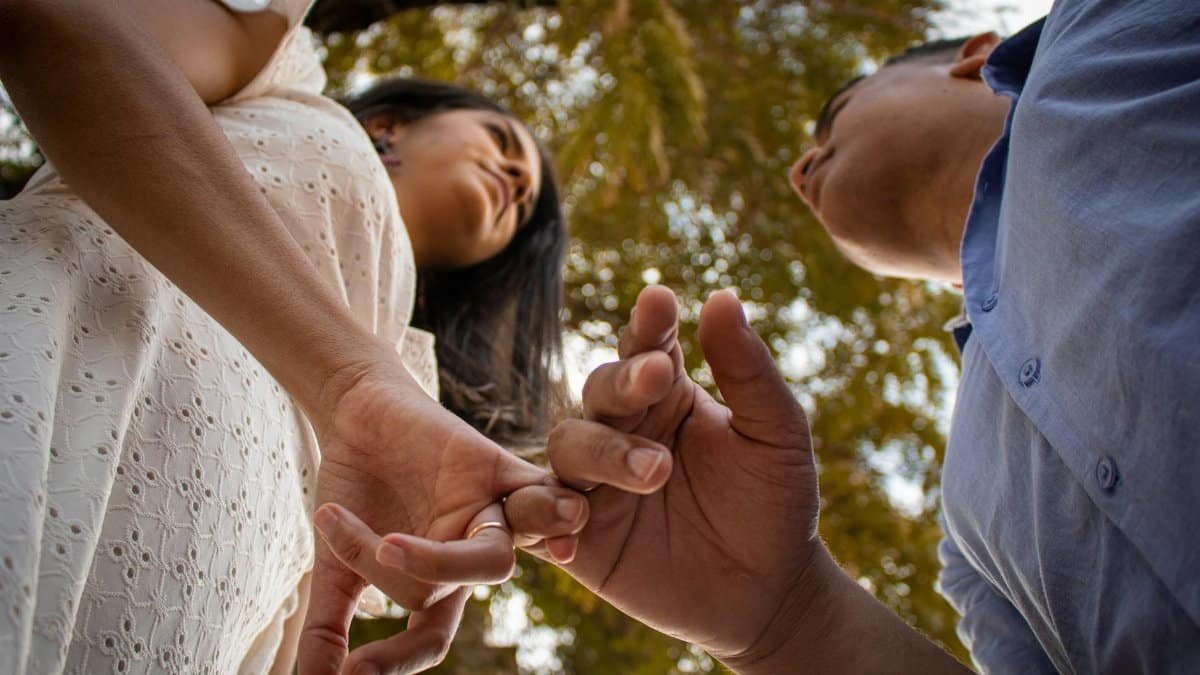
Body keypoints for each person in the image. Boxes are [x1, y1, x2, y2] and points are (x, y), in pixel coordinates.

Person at [324, 3, 1200, 672]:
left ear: (973, 56)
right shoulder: (972, 525)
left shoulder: (1111, 40)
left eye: (835, 115)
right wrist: (788, 615)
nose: (798, 164)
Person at [0, 1, 587, 673]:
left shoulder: (417, 390)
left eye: (522, 202)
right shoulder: (286, 69)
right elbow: (50, 21)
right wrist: (352, 382)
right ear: (391, 124)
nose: (516, 179)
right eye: (503, 144)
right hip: (49, 357)